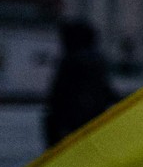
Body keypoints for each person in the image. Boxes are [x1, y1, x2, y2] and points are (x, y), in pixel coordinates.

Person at [44, 20, 120, 148]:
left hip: (70, 122)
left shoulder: (72, 60)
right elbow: (105, 91)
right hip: (91, 121)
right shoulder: (96, 60)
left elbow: (60, 94)